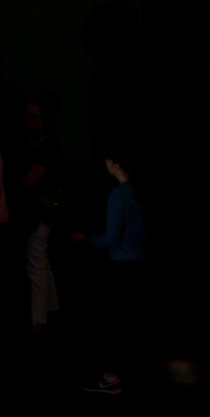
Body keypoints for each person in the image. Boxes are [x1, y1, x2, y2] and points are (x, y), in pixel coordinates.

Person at [72, 148, 148, 394]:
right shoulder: (138, 191)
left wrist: (85, 239)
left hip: (121, 265)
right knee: (130, 321)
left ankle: (111, 376)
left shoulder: (118, 195)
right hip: (140, 262)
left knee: (114, 323)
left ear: (115, 164)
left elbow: (112, 237)